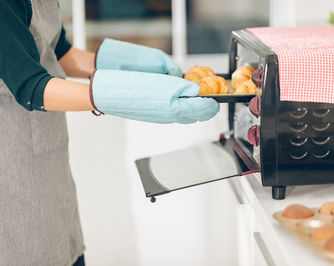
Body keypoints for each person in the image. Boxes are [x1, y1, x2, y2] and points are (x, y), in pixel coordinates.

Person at [0, 0, 219, 265]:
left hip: (48, 166)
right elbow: (31, 86)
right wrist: (118, 94)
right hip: (13, 164)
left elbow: (58, 52)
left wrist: (133, 67)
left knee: (64, 246)